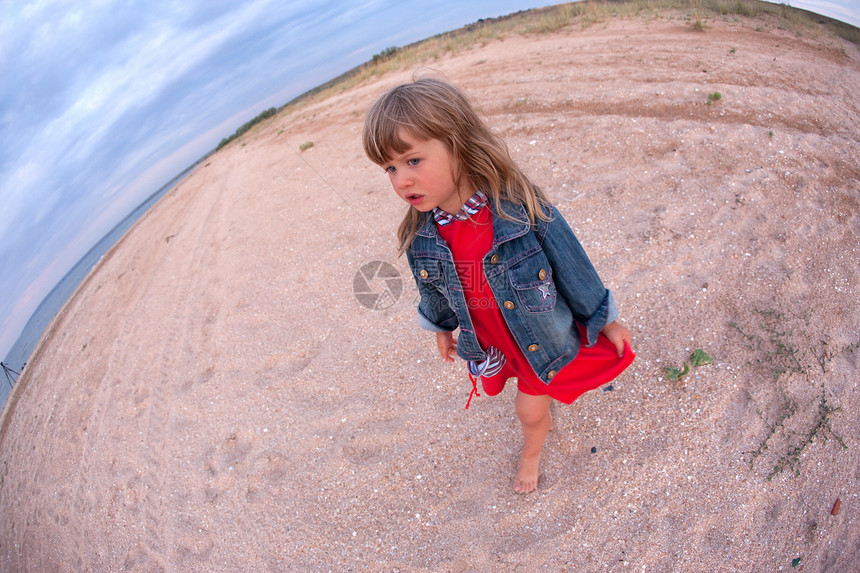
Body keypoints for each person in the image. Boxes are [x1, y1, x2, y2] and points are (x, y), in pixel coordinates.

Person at [362, 75, 635, 494]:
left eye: (413, 161)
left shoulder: (520, 209)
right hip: (490, 338)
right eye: (390, 169)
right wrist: (440, 326)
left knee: (529, 408)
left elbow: (573, 266)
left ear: (458, 144)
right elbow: (431, 287)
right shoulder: (422, 236)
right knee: (516, 389)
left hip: (538, 334)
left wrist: (605, 317)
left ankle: (532, 452)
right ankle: (535, 415)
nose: (401, 181)